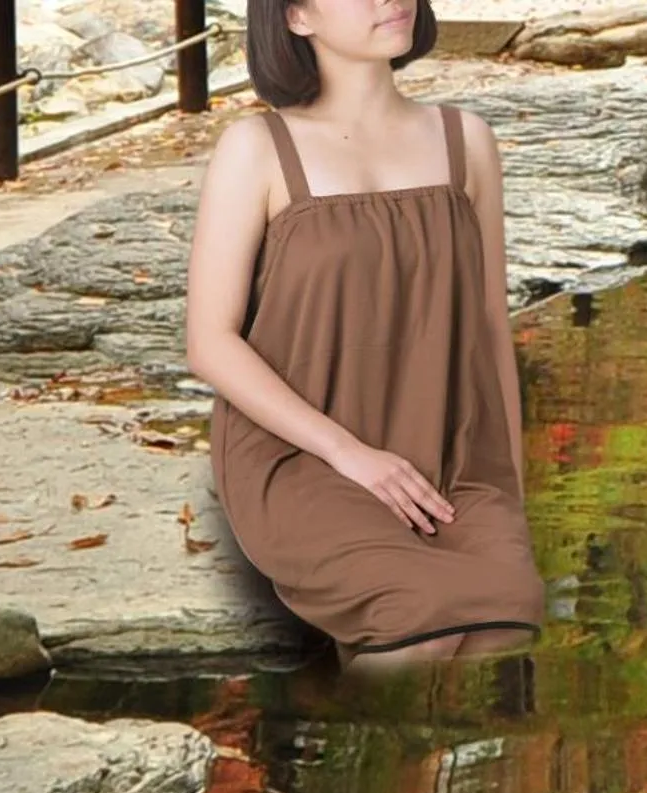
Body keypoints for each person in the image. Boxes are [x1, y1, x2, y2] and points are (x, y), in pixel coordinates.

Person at [184, 0, 547, 672]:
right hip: (302, 456)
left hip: (450, 455)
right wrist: (349, 454)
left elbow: (491, 328)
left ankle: (417, 767)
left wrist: (507, 493)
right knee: (421, 618)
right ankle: (361, 773)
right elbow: (209, 341)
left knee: (508, 611)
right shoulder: (258, 148)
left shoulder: (466, 141)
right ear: (297, 18)